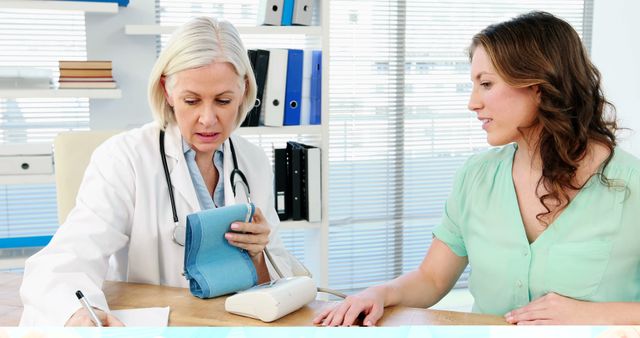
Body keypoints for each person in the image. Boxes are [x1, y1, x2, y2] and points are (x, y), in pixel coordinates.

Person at [313, 11, 640, 326]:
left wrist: (591, 315)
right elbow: (433, 277)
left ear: (539, 86)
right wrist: (380, 293)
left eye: (486, 84)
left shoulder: (631, 184)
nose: (473, 102)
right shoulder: (477, 176)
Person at [20, 16, 298, 326]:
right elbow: (66, 261)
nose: (208, 119)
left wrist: (259, 255)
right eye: (191, 101)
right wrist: (79, 316)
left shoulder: (252, 161)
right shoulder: (124, 158)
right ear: (167, 91)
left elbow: (278, 280)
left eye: (223, 100)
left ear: (244, 90)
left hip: (234, 325)